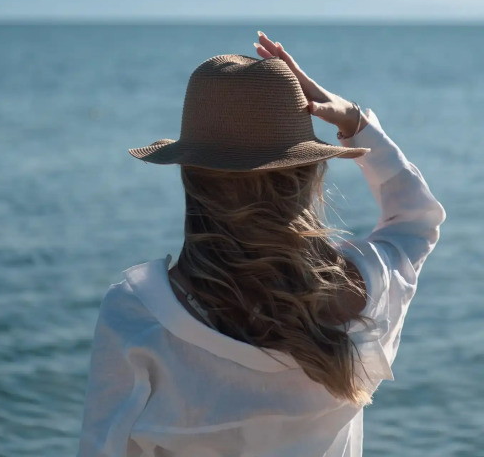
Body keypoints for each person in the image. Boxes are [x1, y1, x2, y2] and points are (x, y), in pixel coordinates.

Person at [77, 30, 446, 457]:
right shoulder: (367, 292)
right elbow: (416, 220)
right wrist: (353, 121)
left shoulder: (142, 316)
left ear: (190, 175)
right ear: (309, 173)